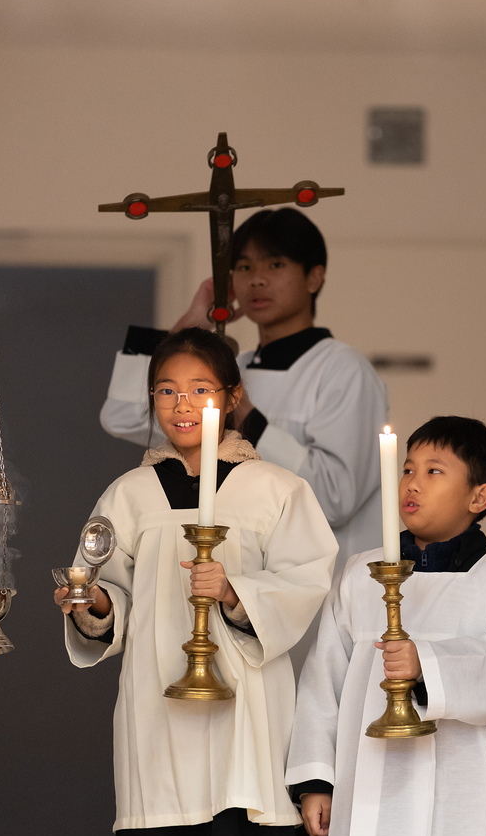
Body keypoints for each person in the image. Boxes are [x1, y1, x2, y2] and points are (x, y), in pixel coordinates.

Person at [54, 327, 338, 836]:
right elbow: (112, 593)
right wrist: (95, 603)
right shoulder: (128, 494)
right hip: (156, 711)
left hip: (247, 714)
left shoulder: (277, 489)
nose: (182, 404)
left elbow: (304, 582)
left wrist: (234, 593)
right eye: (166, 390)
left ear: (233, 397)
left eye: (200, 389)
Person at [285, 416, 486, 836]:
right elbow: (323, 680)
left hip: (464, 789)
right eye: (407, 469)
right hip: (368, 784)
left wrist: (426, 665)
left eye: (434, 471)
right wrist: (316, 781)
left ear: (479, 497)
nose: (412, 483)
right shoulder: (361, 574)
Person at [98, 209, 388, 572]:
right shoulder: (236, 366)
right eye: (245, 267)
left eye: (276, 265)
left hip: (321, 585)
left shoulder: (343, 369)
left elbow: (335, 498)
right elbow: (123, 415)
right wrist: (186, 328)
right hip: (233, 580)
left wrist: (245, 414)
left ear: (314, 277)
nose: (257, 280)